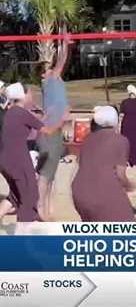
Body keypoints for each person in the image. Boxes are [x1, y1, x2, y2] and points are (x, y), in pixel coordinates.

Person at [0, 83, 63, 229]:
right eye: (29, 93)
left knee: (16, 195)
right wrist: (60, 120)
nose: (32, 95)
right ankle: (22, 239)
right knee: (30, 197)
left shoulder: (10, 112)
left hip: (4, 160)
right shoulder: (21, 113)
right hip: (17, 159)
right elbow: (46, 130)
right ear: (22, 96)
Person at [72, 106, 136, 222]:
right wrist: (129, 185)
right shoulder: (121, 140)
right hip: (104, 191)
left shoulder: (87, 139)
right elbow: (120, 174)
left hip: (79, 191)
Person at [36, 32, 72, 221]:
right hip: (49, 131)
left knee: (51, 174)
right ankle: (40, 207)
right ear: (43, 74)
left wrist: (64, 43)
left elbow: (61, 63)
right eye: (48, 68)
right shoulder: (48, 80)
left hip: (55, 130)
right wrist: (64, 44)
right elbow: (62, 60)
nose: (52, 69)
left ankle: (47, 207)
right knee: (46, 174)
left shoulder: (53, 81)